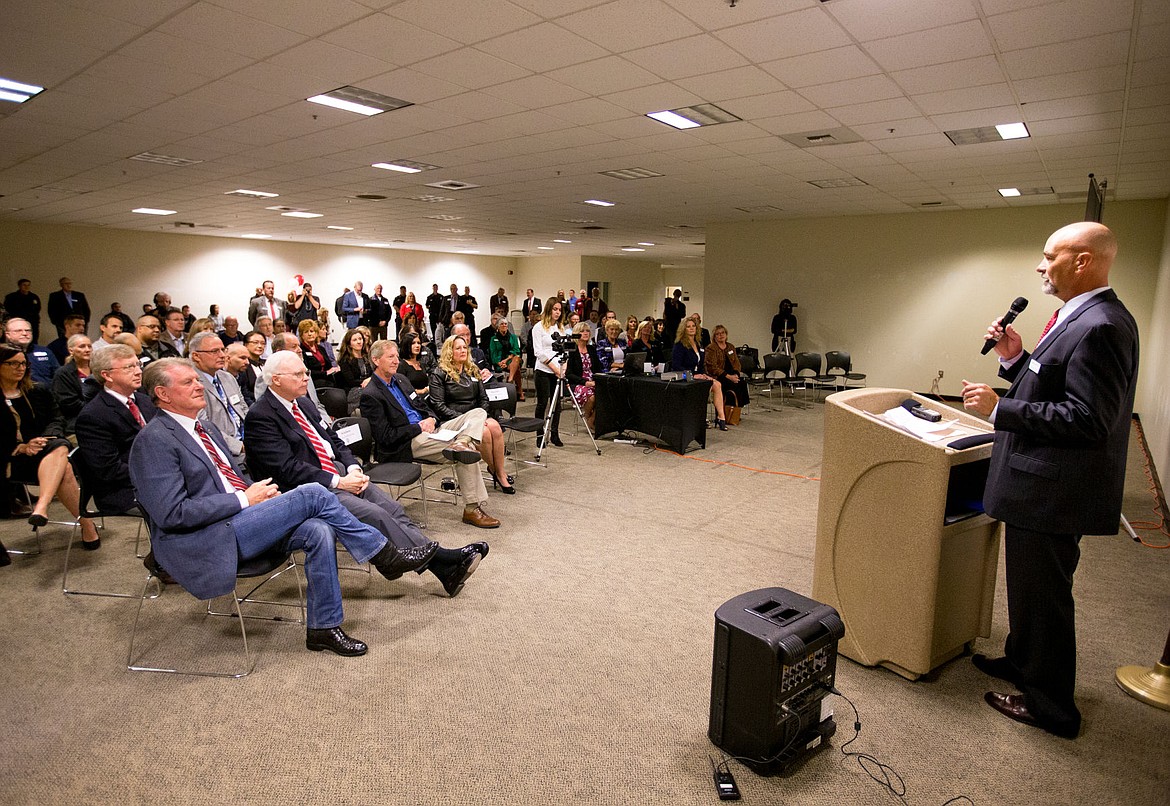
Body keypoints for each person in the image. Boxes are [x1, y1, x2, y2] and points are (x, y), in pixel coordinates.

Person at [959, 222, 1139, 739]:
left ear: (1082, 261)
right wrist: (1014, 358)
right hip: (1040, 483)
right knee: (1029, 588)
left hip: (1053, 489)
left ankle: (1051, 706)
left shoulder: (1101, 325)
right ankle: (1022, 661)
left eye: (1049, 256)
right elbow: (1050, 382)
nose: (1041, 266)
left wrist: (1001, 410)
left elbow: (1088, 419)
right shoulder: (1076, 317)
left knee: (1045, 597)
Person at [130, 358, 440, 657]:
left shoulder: (206, 429)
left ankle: (323, 628)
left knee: (318, 529)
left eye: (197, 380)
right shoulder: (153, 440)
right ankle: (384, 555)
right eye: (188, 382)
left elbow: (234, 478)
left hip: (241, 519)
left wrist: (259, 496)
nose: (199, 386)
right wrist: (244, 499)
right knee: (311, 494)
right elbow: (172, 514)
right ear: (163, 393)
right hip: (207, 537)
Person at [243, 351, 487, 596]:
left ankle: (444, 568)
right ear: (276, 380)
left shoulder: (303, 403)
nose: (306, 378)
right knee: (375, 514)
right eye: (298, 374)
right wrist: (339, 481)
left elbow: (334, 441)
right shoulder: (261, 416)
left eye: (305, 372)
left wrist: (352, 467)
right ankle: (443, 560)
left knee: (393, 509)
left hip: (338, 472)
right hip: (310, 489)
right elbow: (287, 469)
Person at [361, 339, 507, 523]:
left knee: (477, 413)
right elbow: (385, 437)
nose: (396, 361)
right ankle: (472, 509)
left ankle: (461, 442)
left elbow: (423, 405)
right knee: (465, 453)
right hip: (408, 442)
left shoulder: (401, 380)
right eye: (390, 357)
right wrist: (418, 427)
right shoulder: (371, 394)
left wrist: (431, 418)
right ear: (376, 360)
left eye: (397, 357)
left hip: (431, 429)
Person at [0, 342, 100, 546]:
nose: (20, 368)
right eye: (13, 364)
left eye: (23, 364)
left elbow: (57, 419)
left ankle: (42, 507)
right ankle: (86, 524)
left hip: (44, 450)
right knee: (65, 468)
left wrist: (43, 439)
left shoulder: (38, 390)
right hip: (11, 460)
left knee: (60, 446)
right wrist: (20, 447)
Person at [74, 344, 157, 518]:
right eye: (129, 367)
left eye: (138, 365)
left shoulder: (145, 401)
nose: (138, 371)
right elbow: (109, 470)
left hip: (157, 476)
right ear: (107, 375)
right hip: (124, 489)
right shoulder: (93, 416)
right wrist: (158, 471)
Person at [430, 335, 512, 490]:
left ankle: (499, 471)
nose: (463, 351)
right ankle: (496, 470)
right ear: (449, 351)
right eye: (458, 348)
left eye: (464, 347)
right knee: (485, 433)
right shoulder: (439, 373)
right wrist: (466, 420)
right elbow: (438, 405)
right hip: (453, 420)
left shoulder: (472, 370)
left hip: (476, 415)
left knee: (495, 427)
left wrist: (481, 416)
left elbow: (484, 399)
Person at [189, 331, 249, 461]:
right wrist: (240, 446)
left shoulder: (227, 377)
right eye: (214, 351)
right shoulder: (192, 383)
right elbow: (203, 426)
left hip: (248, 443)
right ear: (196, 356)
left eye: (223, 350)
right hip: (223, 452)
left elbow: (243, 409)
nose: (222, 355)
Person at [673, 319, 728, 430]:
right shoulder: (679, 345)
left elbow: (701, 364)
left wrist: (704, 375)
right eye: (688, 326)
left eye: (694, 326)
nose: (692, 328)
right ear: (684, 329)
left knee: (717, 385)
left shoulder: (698, 343)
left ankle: (721, 418)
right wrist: (693, 375)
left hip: (699, 376)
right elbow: (676, 366)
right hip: (685, 377)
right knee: (704, 387)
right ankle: (702, 417)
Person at [530, 297, 567, 447]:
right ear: (549, 309)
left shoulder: (560, 328)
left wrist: (563, 369)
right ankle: (539, 435)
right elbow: (538, 352)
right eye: (555, 309)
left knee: (556, 404)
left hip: (559, 370)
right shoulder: (538, 327)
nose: (557, 312)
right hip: (544, 370)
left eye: (559, 310)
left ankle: (554, 434)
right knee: (542, 404)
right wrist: (554, 368)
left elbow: (566, 349)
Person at [50, 333, 95, 434]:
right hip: (76, 422)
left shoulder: (97, 370)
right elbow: (69, 405)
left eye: (89, 346)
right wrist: (97, 406)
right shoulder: (63, 374)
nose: (87, 350)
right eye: (82, 346)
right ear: (71, 350)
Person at [705, 325, 749, 422]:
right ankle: (724, 413)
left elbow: (736, 362)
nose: (721, 335)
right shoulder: (711, 348)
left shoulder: (730, 346)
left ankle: (735, 411)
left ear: (726, 334)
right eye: (718, 334)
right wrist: (729, 377)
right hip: (719, 375)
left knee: (742, 384)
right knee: (731, 385)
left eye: (723, 333)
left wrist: (736, 373)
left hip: (732, 374)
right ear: (714, 336)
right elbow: (712, 367)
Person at [565, 322, 600, 433]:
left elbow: (597, 368)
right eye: (582, 331)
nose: (585, 333)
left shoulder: (591, 349)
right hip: (577, 382)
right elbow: (569, 374)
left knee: (606, 394)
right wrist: (585, 382)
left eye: (587, 331)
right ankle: (588, 418)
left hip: (593, 380)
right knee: (592, 397)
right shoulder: (572, 350)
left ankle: (591, 419)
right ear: (576, 333)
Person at [4, 318, 59, 386]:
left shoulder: (45, 351)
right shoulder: (3, 352)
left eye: (28, 330)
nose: (24, 333)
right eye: (18, 330)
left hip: (46, 393)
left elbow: (58, 375)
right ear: (8, 334)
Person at [337, 328, 374, 412]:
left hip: (369, 385)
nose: (359, 342)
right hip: (353, 390)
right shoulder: (344, 360)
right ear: (349, 344)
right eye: (355, 340)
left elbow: (373, 373)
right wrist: (367, 381)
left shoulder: (367, 357)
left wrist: (370, 380)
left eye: (360, 339)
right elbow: (351, 381)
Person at [487, 317, 522, 399]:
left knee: (516, 359)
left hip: (511, 360)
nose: (504, 325)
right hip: (500, 362)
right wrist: (499, 362)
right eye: (502, 324)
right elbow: (493, 353)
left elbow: (516, 350)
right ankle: (519, 390)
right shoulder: (493, 339)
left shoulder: (513, 337)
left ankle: (510, 380)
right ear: (498, 326)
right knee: (517, 369)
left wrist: (507, 360)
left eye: (505, 324)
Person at [298, 319, 338, 388]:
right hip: (313, 380)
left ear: (316, 333)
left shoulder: (321, 348)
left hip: (327, 377)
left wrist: (334, 369)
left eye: (312, 331)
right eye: (306, 332)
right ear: (302, 335)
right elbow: (307, 371)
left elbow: (329, 365)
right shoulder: (301, 350)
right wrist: (325, 373)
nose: (310, 334)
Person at [235, 333, 265, 405]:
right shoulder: (242, 366)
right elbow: (245, 393)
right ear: (245, 345)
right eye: (255, 343)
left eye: (263, 343)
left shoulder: (268, 363)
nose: (260, 346)